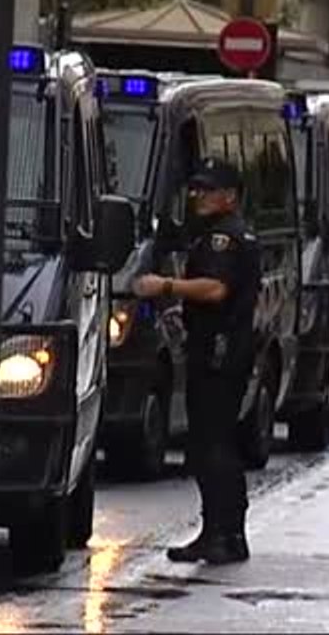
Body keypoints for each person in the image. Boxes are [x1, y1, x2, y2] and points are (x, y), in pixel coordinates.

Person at [132, 158, 259, 565]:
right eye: (197, 189)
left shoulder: (225, 238)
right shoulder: (223, 234)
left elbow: (217, 289)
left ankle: (225, 534)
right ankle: (218, 532)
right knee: (211, 443)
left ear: (229, 196)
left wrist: (165, 285)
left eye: (207, 190)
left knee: (213, 444)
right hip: (221, 348)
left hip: (220, 351)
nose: (198, 196)